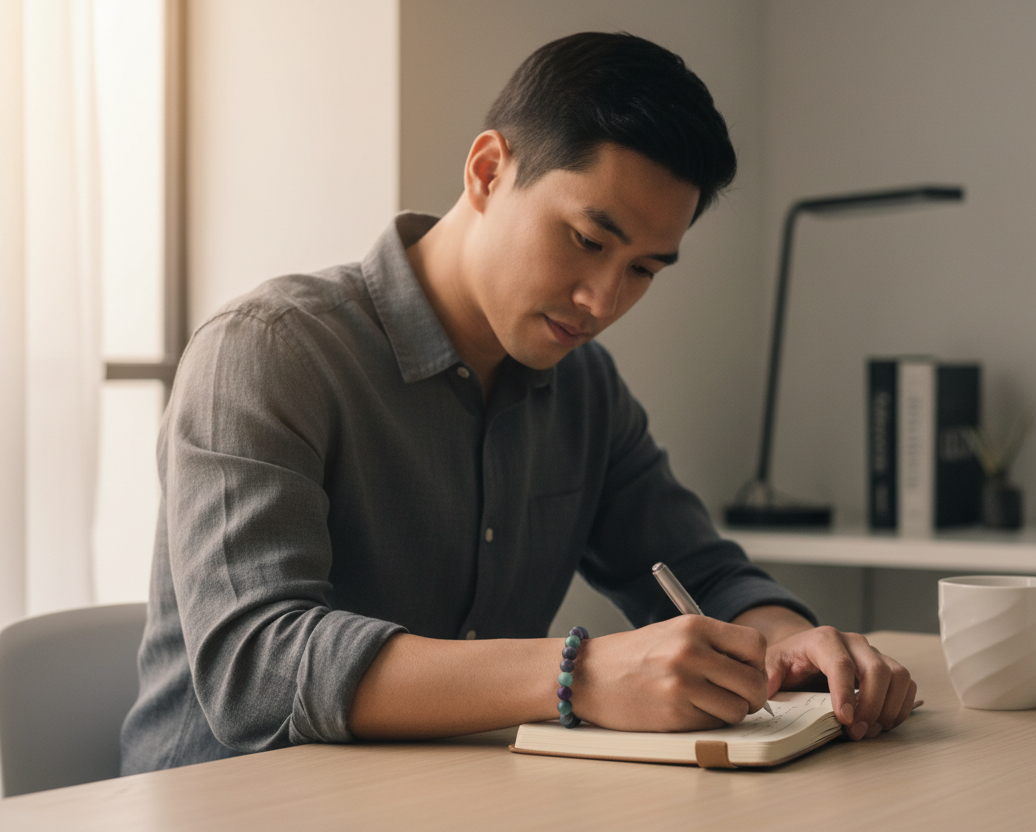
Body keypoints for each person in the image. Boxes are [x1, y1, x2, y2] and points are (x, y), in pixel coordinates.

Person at [120, 31, 916, 775]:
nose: (603, 299)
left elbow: (701, 572)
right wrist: (580, 674)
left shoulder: (584, 388)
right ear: (487, 170)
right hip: (234, 802)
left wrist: (791, 641)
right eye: (588, 241)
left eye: (643, 269)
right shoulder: (269, 351)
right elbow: (256, 668)